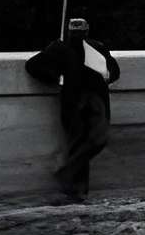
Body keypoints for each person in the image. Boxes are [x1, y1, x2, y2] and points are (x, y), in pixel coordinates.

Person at [23, 16, 121, 201]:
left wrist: (55, 77)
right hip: (81, 102)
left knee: (88, 141)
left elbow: (33, 66)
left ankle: (71, 180)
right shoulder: (66, 48)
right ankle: (77, 190)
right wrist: (55, 76)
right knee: (84, 142)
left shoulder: (69, 47)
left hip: (84, 101)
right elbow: (33, 66)